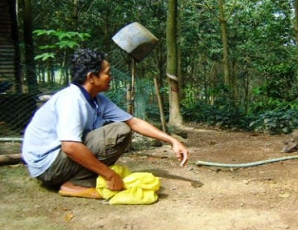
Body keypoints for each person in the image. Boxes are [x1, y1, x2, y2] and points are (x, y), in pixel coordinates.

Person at [22, 48, 189, 199]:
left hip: (58, 161)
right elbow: (70, 146)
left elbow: (134, 122)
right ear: (92, 77)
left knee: (122, 129)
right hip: (48, 168)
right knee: (118, 131)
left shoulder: (97, 99)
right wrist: (109, 174)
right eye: (107, 73)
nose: (111, 77)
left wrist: (172, 141)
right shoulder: (72, 99)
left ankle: (78, 180)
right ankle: (75, 184)